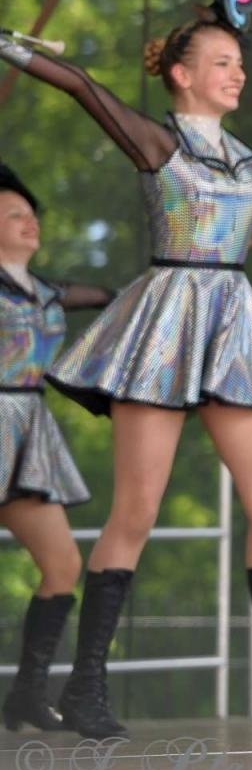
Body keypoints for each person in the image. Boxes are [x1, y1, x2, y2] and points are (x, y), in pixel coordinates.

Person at [0, 0, 252, 739]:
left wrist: (243, 241)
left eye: (239, 63)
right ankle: (86, 686)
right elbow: (81, 85)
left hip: (234, 325)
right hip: (164, 325)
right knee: (137, 510)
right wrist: (10, 46)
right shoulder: (159, 142)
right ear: (181, 74)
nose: (237, 73)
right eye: (221, 62)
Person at [0, 161, 113, 731]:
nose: (30, 222)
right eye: (13, 214)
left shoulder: (48, 292)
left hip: (27, 431)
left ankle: (26, 693)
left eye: (31, 214)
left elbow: (114, 297)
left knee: (63, 563)